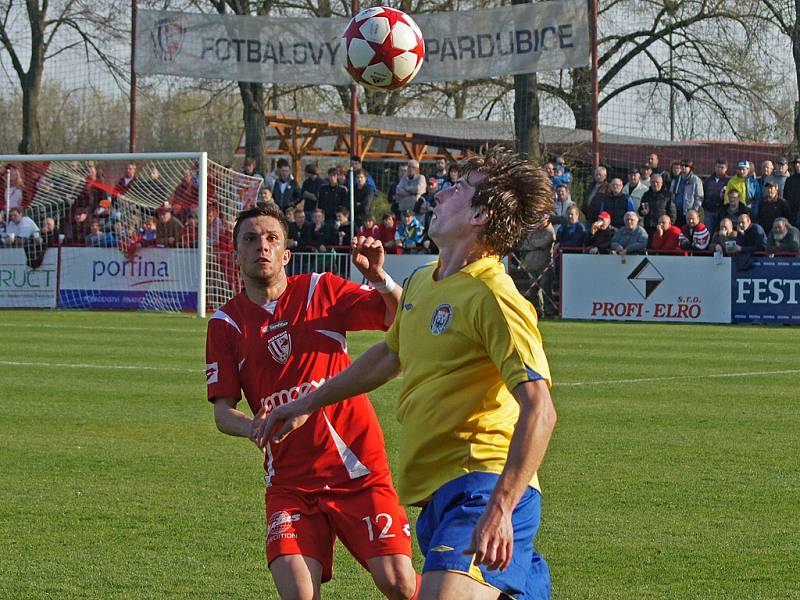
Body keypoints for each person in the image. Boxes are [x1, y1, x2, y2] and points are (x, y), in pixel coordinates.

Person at [258, 146, 557, 600]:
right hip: (436, 493)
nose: (439, 194)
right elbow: (388, 355)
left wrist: (501, 505)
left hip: (482, 482)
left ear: (480, 215)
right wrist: (305, 403)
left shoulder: (495, 296)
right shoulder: (422, 279)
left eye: (457, 188)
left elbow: (541, 409)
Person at [205, 204, 418, 600]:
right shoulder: (225, 324)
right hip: (290, 483)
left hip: (358, 471)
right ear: (235, 255)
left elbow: (402, 320)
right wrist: (255, 426)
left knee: (400, 584)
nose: (261, 247)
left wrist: (380, 279)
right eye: (250, 239)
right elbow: (222, 413)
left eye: (271, 239)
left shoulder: (320, 289)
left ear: (286, 254)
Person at [520, 214, 556, 316]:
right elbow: (524, 244)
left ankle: (549, 311)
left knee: (546, 289)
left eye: (541, 219)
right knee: (532, 290)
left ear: (547, 219)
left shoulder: (550, 231)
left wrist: (532, 244)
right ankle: (537, 311)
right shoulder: (533, 230)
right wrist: (533, 245)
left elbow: (543, 243)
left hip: (545, 266)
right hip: (531, 265)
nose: (539, 221)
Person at [702, 159, 729, 235]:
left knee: (720, 233)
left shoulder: (729, 181)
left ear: (726, 168)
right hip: (709, 211)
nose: (719, 169)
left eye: (722, 167)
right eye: (718, 167)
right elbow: (703, 194)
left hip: (722, 211)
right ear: (715, 167)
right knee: (708, 232)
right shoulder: (708, 180)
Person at [673, 159, 704, 226]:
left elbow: (699, 197)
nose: (683, 167)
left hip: (688, 212)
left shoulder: (696, 180)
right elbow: (671, 193)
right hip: (676, 211)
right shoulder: (676, 179)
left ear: (690, 168)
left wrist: (694, 210)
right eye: (681, 165)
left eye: (686, 165)